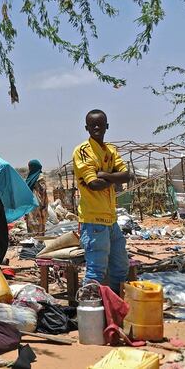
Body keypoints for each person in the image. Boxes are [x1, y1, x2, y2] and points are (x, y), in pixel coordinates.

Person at [73, 110, 132, 293]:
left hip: (111, 220)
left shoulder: (111, 150)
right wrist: (113, 178)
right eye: (93, 125)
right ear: (87, 128)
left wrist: (104, 174)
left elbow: (126, 176)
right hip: (93, 221)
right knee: (96, 272)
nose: (97, 127)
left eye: (100, 124)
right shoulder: (83, 151)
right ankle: (90, 314)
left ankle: (112, 307)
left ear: (107, 126)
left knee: (121, 266)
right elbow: (94, 184)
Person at [25, 159, 49, 234]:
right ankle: (36, 241)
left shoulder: (40, 177)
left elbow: (42, 191)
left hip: (37, 204)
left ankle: (39, 241)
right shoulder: (31, 178)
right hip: (33, 205)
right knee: (34, 223)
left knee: (37, 222)